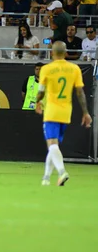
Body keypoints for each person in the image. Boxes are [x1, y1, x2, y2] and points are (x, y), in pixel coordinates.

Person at [35, 41, 92, 186]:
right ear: (66, 52)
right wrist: (85, 112)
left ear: (52, 53)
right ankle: (46, 178)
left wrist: (37, 101)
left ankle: (62, 172)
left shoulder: (46, 69)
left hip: (52, 110)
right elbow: (80, 92)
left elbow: (41, 91)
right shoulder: (74, 68)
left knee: (52, 145)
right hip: (66, 111)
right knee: (54, 146)